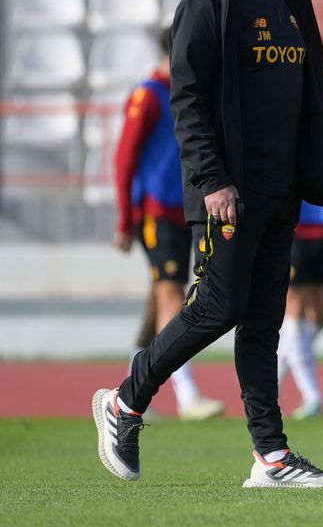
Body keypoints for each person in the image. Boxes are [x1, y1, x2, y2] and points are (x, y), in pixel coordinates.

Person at [93, 0, 323, 489]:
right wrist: (212, 179)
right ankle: (124, 403)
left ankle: (271, 458)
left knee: (263, 321)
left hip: (279, 189)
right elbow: (187, 98)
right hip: (228, 193)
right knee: (217, 308)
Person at [113, 27, 224, 422]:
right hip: (158, 211)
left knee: (161, 297)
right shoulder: (149, 94)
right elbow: (125, 158)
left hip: (189, 211)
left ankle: (129, 385)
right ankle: (187, 395)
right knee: (172, 296)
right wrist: (126, 218)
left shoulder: (194, 94)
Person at [277, 45, 323, 421]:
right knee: (296, 309)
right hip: (296, 225)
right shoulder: (286, 112)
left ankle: (273, 375)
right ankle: (314, 396)